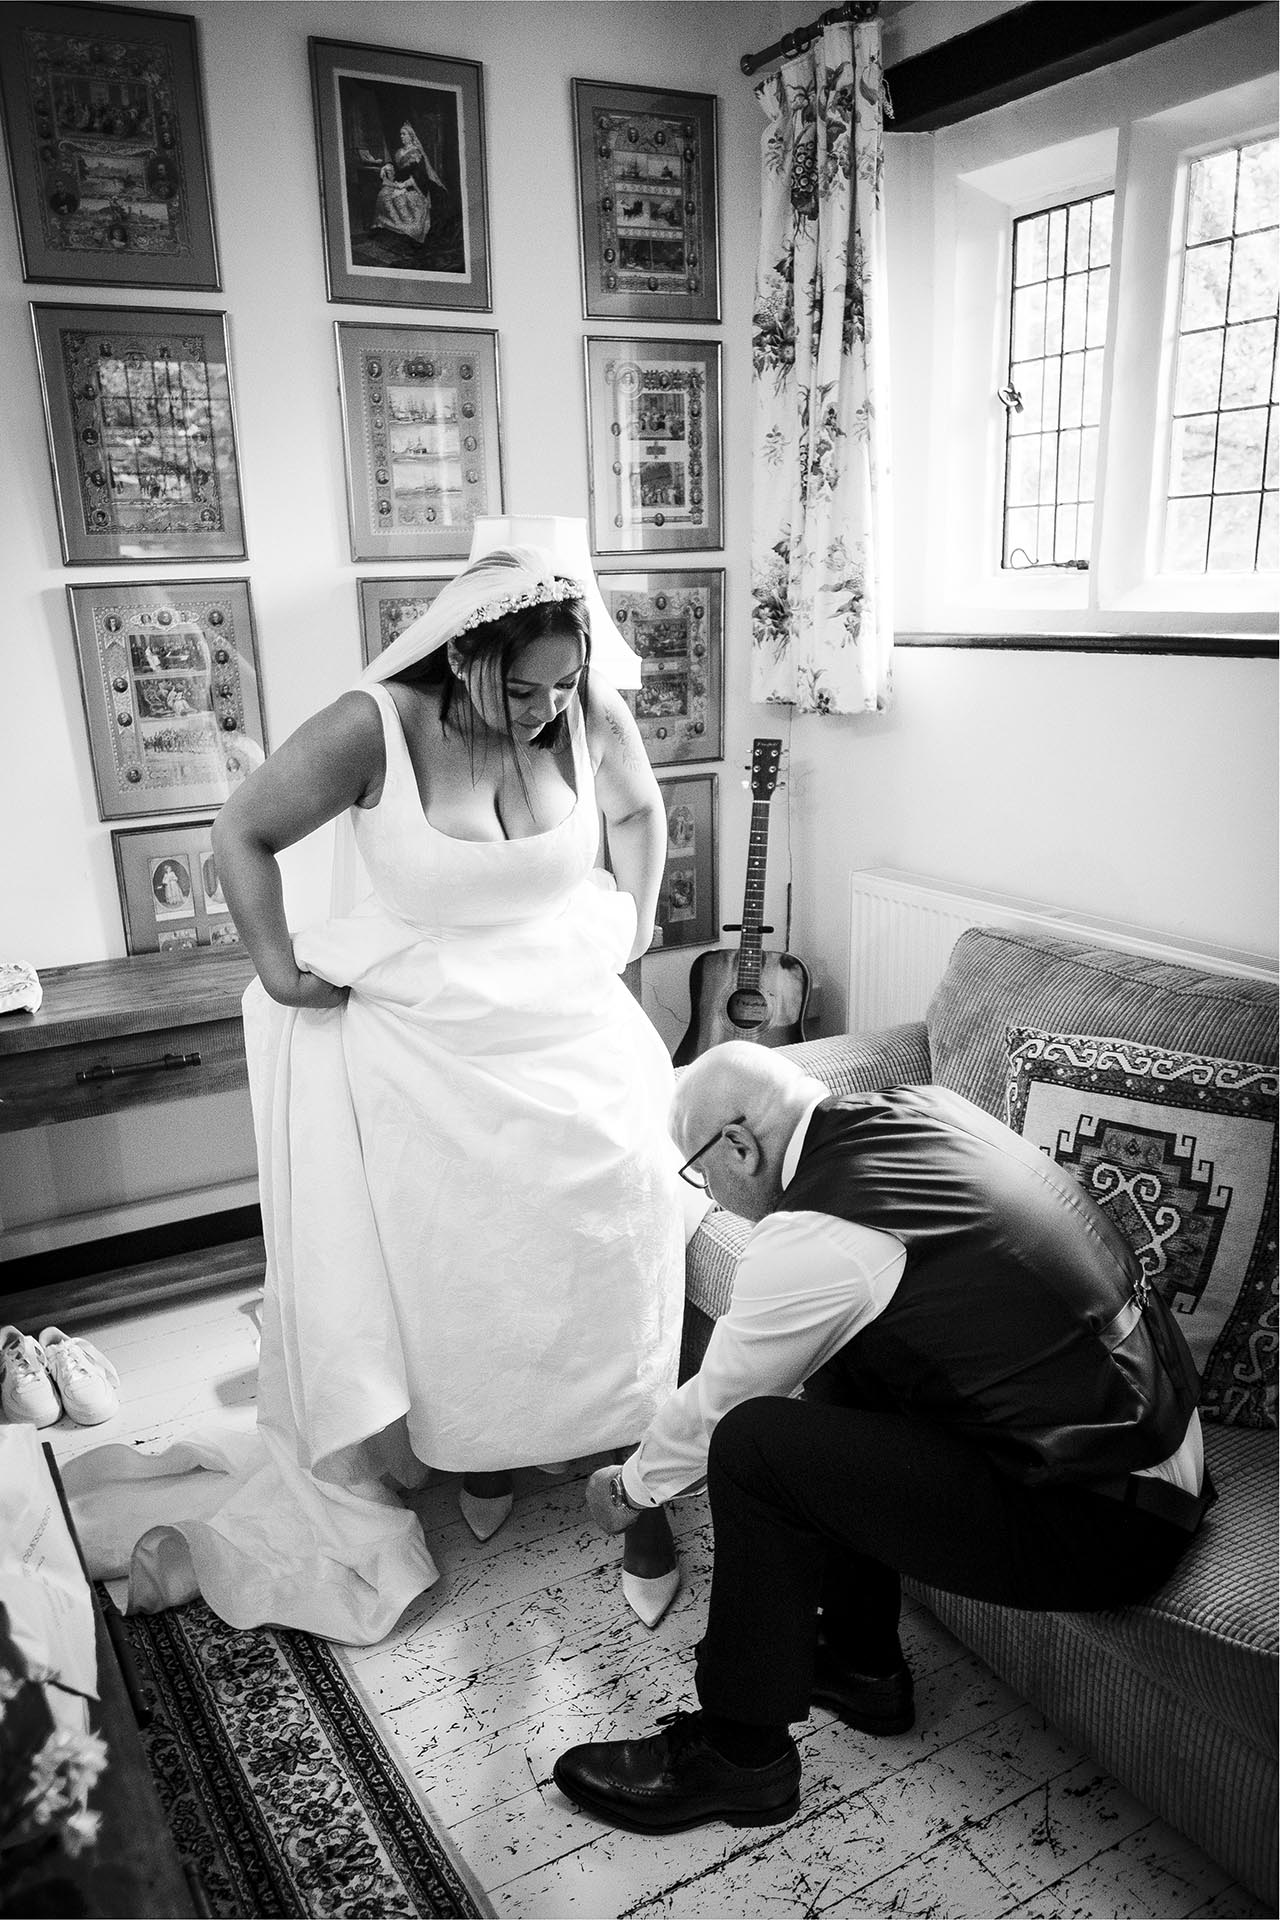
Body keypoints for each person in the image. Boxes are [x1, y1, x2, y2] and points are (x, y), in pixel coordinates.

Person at [64, 546, 694, 1642]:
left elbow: (638, 811)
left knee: (612, 1255)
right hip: (429, 1057)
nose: (549, 711)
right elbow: (241, 831)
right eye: (524, 687)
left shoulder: (580, 708)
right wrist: (275, 967)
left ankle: (635, 1485)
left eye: (562, 684)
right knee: (468, 1275)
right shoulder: (376, 725)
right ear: (460, 655)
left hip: (574, 1036)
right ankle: (486, 1456)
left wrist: (637, 923)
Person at [553, 1041, 1211, 1833]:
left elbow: (721, 1402)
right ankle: (864, 1666)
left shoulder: (819, 1230)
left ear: (738, 1144)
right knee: (845, 1359)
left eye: (701, 1176)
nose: (716, 1200)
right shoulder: (919, 1105)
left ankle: (741, 1755)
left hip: (1105, 1517)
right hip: (1148, 1455)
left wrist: (630, 1489)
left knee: (754, 1445)